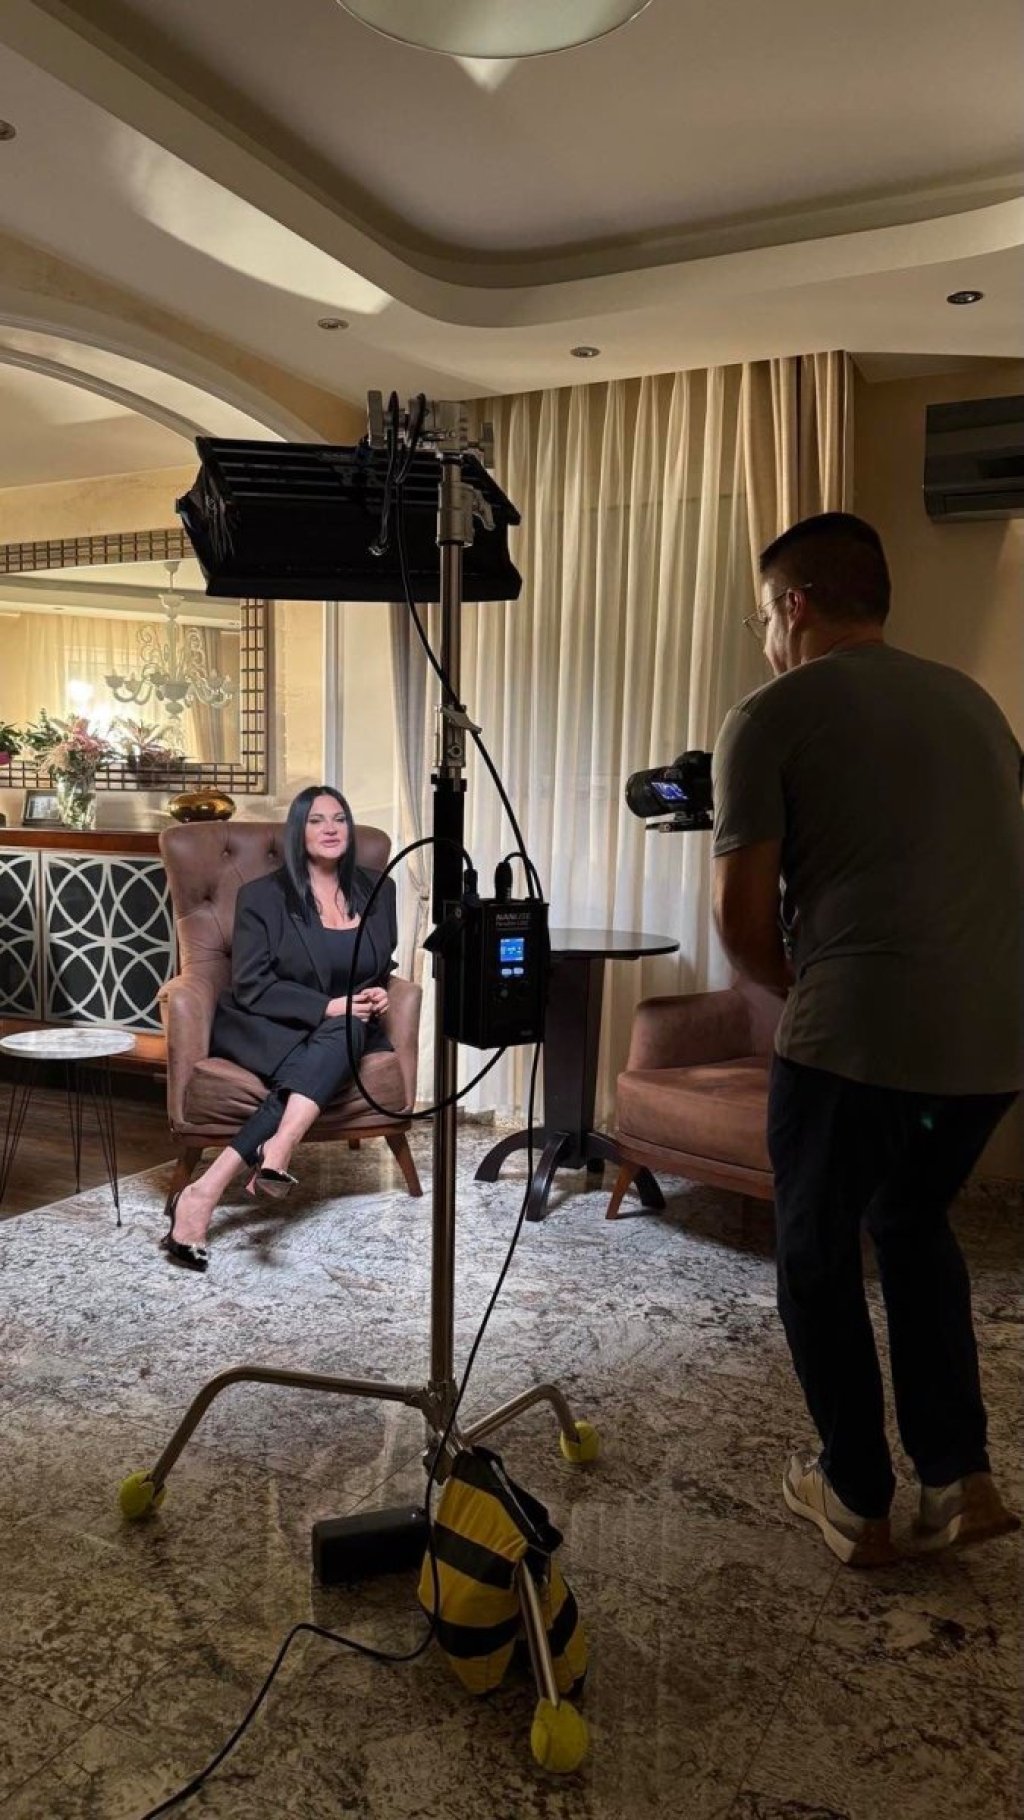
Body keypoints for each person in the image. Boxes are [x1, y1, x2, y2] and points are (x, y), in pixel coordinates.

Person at [711, 511, 1023, 1566]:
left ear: (793, 606)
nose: (765, 637)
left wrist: (804, 989)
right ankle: (957, 1474)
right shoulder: (975, 704)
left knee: (813, 1246)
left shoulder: (770, 713)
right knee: (911, 1216)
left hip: (857, 1035)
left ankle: (852, 1492)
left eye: (763, 617)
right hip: (994, 1041)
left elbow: (740, 923)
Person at [162, 786, 399, 1273]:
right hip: (265, 1023)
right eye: (316, 820)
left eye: (340, 818)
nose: (331, 829)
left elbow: (379, 964)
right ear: (298, 831)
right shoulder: (262, 896)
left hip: (345, 1026)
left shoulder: (379, 889)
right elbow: (251, 984)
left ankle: (206, 1189)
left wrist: (377, 993)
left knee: (344, 1032)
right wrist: (329, 1005)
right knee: (340, 1036)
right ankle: (276, 1148)